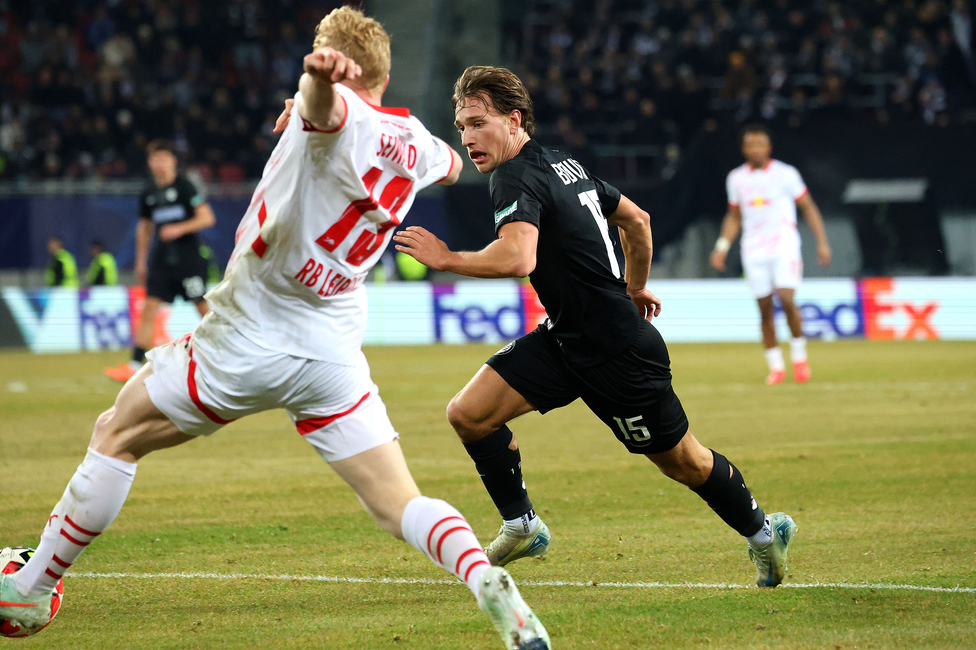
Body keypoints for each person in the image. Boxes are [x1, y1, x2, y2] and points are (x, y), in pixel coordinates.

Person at [1, 12, 550, 650]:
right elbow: (451, 164)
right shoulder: (417, 139)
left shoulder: (334, 107)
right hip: (331, 350)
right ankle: (480, 575)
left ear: (331, 59)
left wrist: (314, 85)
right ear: (386, 73)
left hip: (247, 335)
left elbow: (331, 110)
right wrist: (320, 101)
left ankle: (32, 587)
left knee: (116, 433)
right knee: (398, 502)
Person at [393, 66, 796, 588]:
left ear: (514, 120)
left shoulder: (514, 176)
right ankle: (522, 526)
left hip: (617, 351)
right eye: (460, 125)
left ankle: (765, 533)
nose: (467, 137)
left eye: (477, 122)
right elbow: (637, 220)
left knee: (684, 463)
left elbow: (518, 258)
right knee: (469, 414)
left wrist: (447, 259)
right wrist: (634, 284)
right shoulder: (562, 163)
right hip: (566, 338)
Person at [710, 124, 832, 385]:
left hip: (783, 245)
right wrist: (722, 246)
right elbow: (734, 216)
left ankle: (799, 359)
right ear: (744, 149)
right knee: (764, 309)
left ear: (769, 147)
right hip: (753, 249)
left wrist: (822, 242)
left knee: (787, 299)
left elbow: (808, 207)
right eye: (751, 145)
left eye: (760, 144)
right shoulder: (736, 178)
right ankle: (776, 367)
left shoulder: (786, 174)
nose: (756, 149)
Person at [104, 140, 216, 383]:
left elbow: (207, 218)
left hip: (189, 260)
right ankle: (134, 364)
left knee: (202, 308)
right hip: (162, 261)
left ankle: (227, 351)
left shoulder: (185, 187)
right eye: (155, 159)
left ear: (173, 161)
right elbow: (144, 227)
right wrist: (141, 261)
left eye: (164, 158)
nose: (159, 163)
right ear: (149, 163)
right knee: (149, 309)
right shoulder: (149, 193)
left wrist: (178, 229)